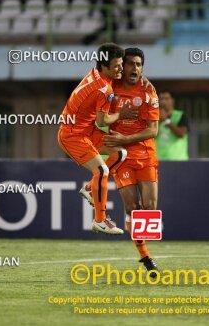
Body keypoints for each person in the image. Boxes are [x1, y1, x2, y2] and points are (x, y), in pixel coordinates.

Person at [80, 48, 160, 276]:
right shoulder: (109, 87)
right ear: (121, 67)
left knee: (150, 209)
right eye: (131, 64)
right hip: (122, 154)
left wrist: (126, 138)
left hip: (145, 154)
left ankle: (89, 187)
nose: (135, 69)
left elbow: (152, 130)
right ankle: (145, 257)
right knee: (132, 207)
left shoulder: (148, 93)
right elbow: (94, 79)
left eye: (139, 65)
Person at [57, 43, 126, 235]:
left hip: (86, 129)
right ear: (104, 66)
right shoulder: (104, 88)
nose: (121, 68)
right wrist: (121, 114)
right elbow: (103, 120)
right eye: (117, 65)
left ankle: (89, 189)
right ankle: (100, 220)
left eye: (121, 64)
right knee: (102, 170)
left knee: (120, 153)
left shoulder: (97, 74)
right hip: (72, 135)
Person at [155, 90, 190, 160]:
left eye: (167, 99)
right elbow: (152, 135)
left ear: (172, 100)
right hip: (159, 160)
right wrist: (158, 121)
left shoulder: (180, 116)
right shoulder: (155, 117)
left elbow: (181, 133)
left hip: (178, 160)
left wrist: (166, 121)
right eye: (162, 99)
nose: (164, 102)